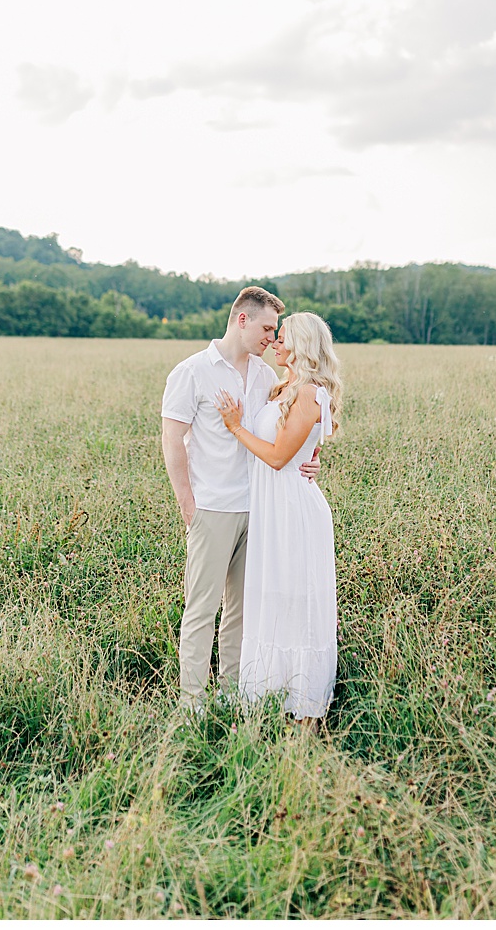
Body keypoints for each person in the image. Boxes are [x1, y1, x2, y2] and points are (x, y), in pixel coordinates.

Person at [160, 287, 317, 709]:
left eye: (276, 330)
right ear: (242, 320)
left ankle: (232, 695)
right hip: (212, 508)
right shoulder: (192, 372)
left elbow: (288, 430)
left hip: (260, 509)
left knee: (242, 612)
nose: (272, 337)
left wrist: (311, 459)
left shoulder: (267, 377)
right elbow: (172, 441)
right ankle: (192, 704)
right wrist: (187, 505)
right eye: (267, 328)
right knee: (201, 610)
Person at [215, 312, 343, 724]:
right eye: (274, 334)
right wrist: (312, 457)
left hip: (293, 512)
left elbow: (276, 457)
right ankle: (270, 697)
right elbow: (302, 447)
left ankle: (303, 711)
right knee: (272, 598)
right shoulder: (281, 386)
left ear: (302, 345)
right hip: (272, 509)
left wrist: (235, 427)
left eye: (282, 337)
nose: (274, 342)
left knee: (295, 603)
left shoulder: (308, 392)